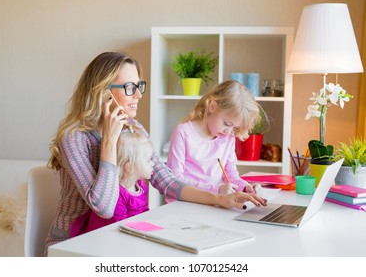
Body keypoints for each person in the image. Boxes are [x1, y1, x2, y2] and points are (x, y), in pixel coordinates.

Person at [44, 51, 266, 255]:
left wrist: (220, 198)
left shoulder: (134, 129)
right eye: (130, 88)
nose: (139, 95)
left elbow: (167, 181)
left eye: (139, 86)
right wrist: (110, 141)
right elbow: (104, 207)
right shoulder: (75, 138)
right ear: (104, 94)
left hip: (115, 238)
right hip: (73, 245)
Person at [166, 80, 263, 201]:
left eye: (235, 128)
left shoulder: (228, 137)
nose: (229, 131)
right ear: (212, 106)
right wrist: (215, 190)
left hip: (211, 202)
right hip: (182, 204)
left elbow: (230, 173)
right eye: (227, 123)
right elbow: (175, 179)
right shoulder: (183, 132)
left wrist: (245, 187)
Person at [70, 125, 153, 236]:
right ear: (129, 167)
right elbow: (120, 226)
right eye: (148, 160)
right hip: (105, 239)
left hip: (128, 235)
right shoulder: (116, 193)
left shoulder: (141, 186)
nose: (153, 164)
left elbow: (144, 213)